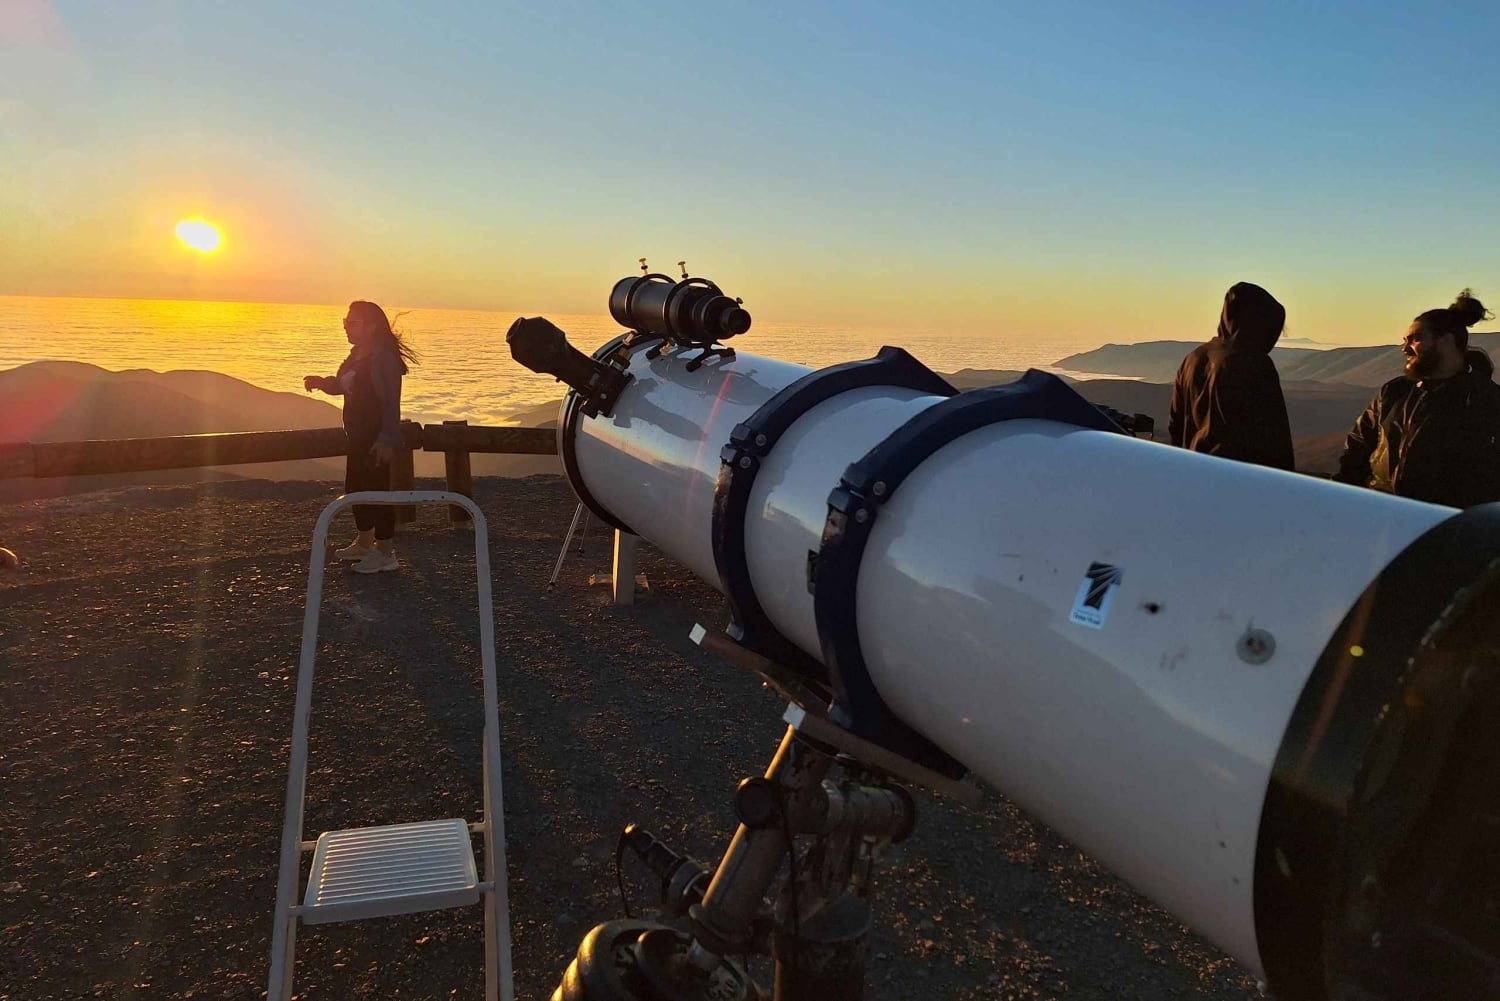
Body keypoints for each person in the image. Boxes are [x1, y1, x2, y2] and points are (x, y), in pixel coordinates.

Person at [1333, 290, 1500, 508]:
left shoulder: (1487, 400)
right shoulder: (1393, 393)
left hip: (1447, 527)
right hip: (1381, 513)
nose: (1404, 349)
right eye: (1405, 340)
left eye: (1416, 339)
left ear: (1446, 341)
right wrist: (1338, 500)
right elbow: (1356, 450)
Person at [303, 301, 418, 573]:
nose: (346, 327)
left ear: (371, 326)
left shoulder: (384, 360)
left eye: (353, 322)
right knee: (356, 489)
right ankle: (365, 542)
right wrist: (321, 382)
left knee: (378, 493)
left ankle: (386, 552)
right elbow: (344, 386)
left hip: (377, 437)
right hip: (356, 436)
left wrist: (387, 438)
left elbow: (391, 403)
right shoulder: (355, 356)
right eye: (346, 321)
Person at [1169, 282, 1296, 470]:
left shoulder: (1192, 360)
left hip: (1193, 475)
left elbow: (1177, 427)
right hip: (1240, 482)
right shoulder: (1254, 365)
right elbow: (1275, 440)